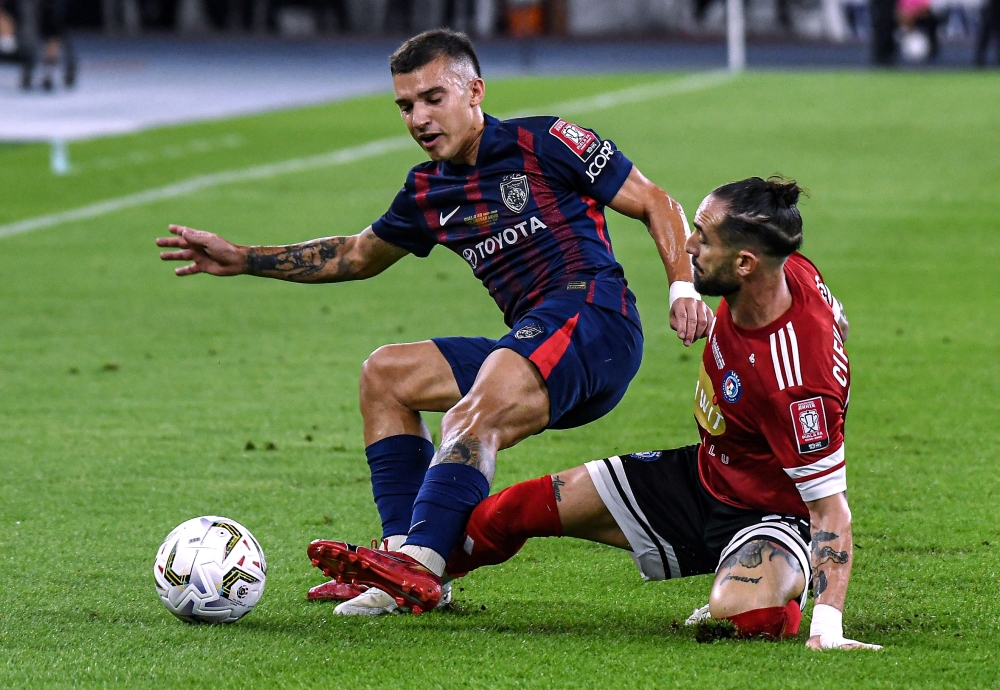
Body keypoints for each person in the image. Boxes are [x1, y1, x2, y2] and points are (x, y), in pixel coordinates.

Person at [157, 29, 712, 615]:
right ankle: (398, 563)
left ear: (474, 92)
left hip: (595, 318)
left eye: (432, 98)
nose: (418, 118)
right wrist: (245, 259)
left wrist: (682, 286)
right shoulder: (428, 190)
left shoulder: (543, 141)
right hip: (529, 340)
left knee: (473, 406)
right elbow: (355, 255)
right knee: (387, 374)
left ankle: (420, 563)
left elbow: (654, 200)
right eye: (405, 105)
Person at [314, 176, 881, 650]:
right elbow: (837, 317)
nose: (687, 248)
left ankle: (778, 584)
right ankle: (408, 578)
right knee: (507, 513)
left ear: (746, 264)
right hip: (700, 476)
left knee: (740, 613)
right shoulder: (793, 273)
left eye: (702, 241)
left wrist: (827, 626)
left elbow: (832, 511)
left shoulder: (795, 385)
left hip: (770, 514)